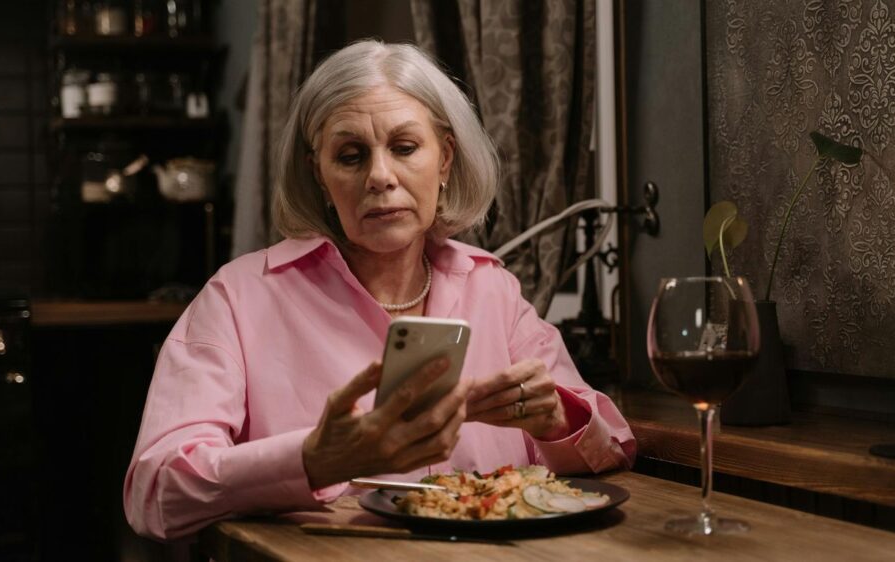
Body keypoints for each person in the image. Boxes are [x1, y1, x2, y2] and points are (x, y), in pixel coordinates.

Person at [124, 40, 636, 540]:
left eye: (405, 148)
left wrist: (556, 419)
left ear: (445, 159)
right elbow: (155, 491)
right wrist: (313, 461)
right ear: (318, 175)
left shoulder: (493, 289)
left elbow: (613, 446)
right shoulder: (237, 298)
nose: (380, 176)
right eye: (350, 156)